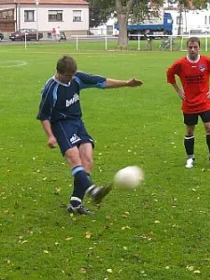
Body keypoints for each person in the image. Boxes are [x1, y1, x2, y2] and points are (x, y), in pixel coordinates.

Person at [37, 55, 143, 215]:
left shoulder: (76, 78)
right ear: (59, 72)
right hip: (61, 125)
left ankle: (75, 203)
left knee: (87, 159)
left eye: (73, 75)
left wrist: (127, 83)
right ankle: (93, 190)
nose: (71, 79)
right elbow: (44, 115)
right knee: (74, 158)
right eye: (68, 76)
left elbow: (102, 82)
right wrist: (50, 136)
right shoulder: (51, 89)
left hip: (77, 123)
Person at [166, 37, 210, 169]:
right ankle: (190, 158)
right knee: (190, 131)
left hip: (204, 102)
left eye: (195, 47)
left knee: (209, 128)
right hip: (189, 103)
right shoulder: (180, 63)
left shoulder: (207, 61)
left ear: (199, 48)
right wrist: (178, 91)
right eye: (190, 47)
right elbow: (169, 75)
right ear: (187, 48)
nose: (192, 50)